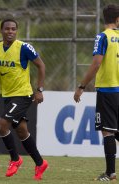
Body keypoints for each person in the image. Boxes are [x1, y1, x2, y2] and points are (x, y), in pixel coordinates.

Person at [0, 18, 48, 180]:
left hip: (23, 94)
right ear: (1, 31)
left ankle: (15, 159)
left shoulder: (24, 48)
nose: (10, 32)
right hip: (7, 95)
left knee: (1, 125)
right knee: (21, 130)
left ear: (16, 31)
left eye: (13, 29)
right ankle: (40, 163)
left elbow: (41, 66)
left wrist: (39, 90)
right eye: (7, 29)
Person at [74, 4, 119, 182]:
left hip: (108, 90)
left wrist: (81, 86)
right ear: (117, 20)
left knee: (108, 131)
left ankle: (110, 173)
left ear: (104, 18)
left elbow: (96, 64)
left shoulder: (102, 37)